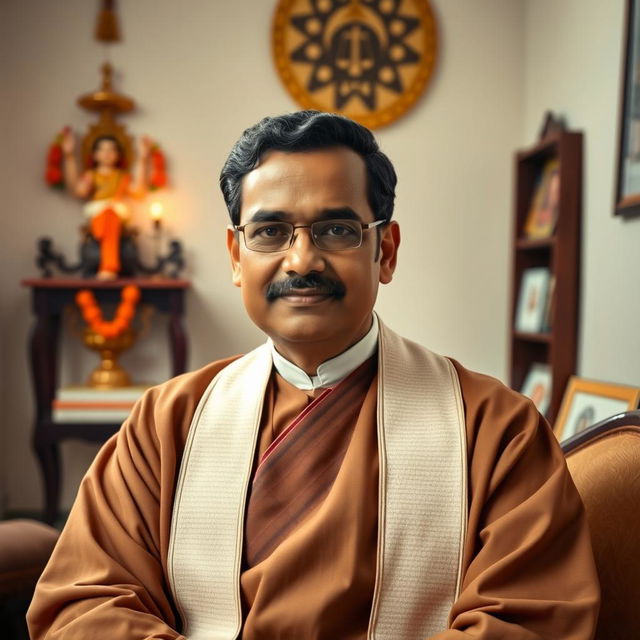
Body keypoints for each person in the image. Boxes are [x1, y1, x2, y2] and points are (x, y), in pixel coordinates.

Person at [28, 111, 599, 639]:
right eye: (271, 232)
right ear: (235, 256)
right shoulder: (167, 422)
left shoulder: (497, 430)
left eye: (336, 230)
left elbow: (530, 619)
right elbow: (85, 603)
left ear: (386, 251)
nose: (301, 260)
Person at [61, 129, 151, 279]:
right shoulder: (92, 175)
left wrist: (142, 159)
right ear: (94, 155)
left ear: (118, 155)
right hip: (98, 214)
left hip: (115, 214)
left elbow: (138, 191)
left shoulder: (121, 176)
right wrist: (69, 155)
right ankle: (109, 266)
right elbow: (78, 190)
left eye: (111, 149)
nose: (107, 153)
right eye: (102, 149)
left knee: (110, 214)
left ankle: (109, 266)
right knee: (107, 214)